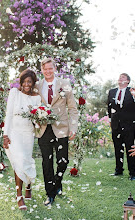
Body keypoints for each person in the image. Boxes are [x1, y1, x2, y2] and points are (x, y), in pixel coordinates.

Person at [35, 58, 78, 206]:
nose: (48, 71)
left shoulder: (65, 85)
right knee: (47, 162)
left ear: (55, 68)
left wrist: (73, 128)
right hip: (43, 129)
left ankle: (57, 182)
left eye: (50, 68)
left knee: (63, 161)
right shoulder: (37, 86)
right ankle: (50, 193)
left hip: (61, 128)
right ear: (42, 70)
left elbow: (72, 108)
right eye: (45, 69)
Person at [3, 69, 41, 210]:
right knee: (18, 161)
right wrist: (5, 135)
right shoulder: (14, 93)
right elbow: (9, 115)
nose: (26, 84)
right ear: (21, 82)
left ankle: (28, 187)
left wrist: (39, 120)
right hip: (14, 132)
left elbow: (37, 120)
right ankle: (19, 196)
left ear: (32, 83)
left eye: (29, 82)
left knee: (26, 160)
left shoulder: (36, 98)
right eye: (24, 81)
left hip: (28, 132)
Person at [107, 73, 135, 180]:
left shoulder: (132, 91)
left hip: (129, 124)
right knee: (117, 147)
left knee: (130, 148)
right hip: (116, 124)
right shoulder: (112, 92)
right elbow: (109, 107)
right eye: (119, 77)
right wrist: (110, 120)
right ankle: (118, 170)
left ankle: (132, 173)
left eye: (123, 77)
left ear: (128, 81)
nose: (120, 78)